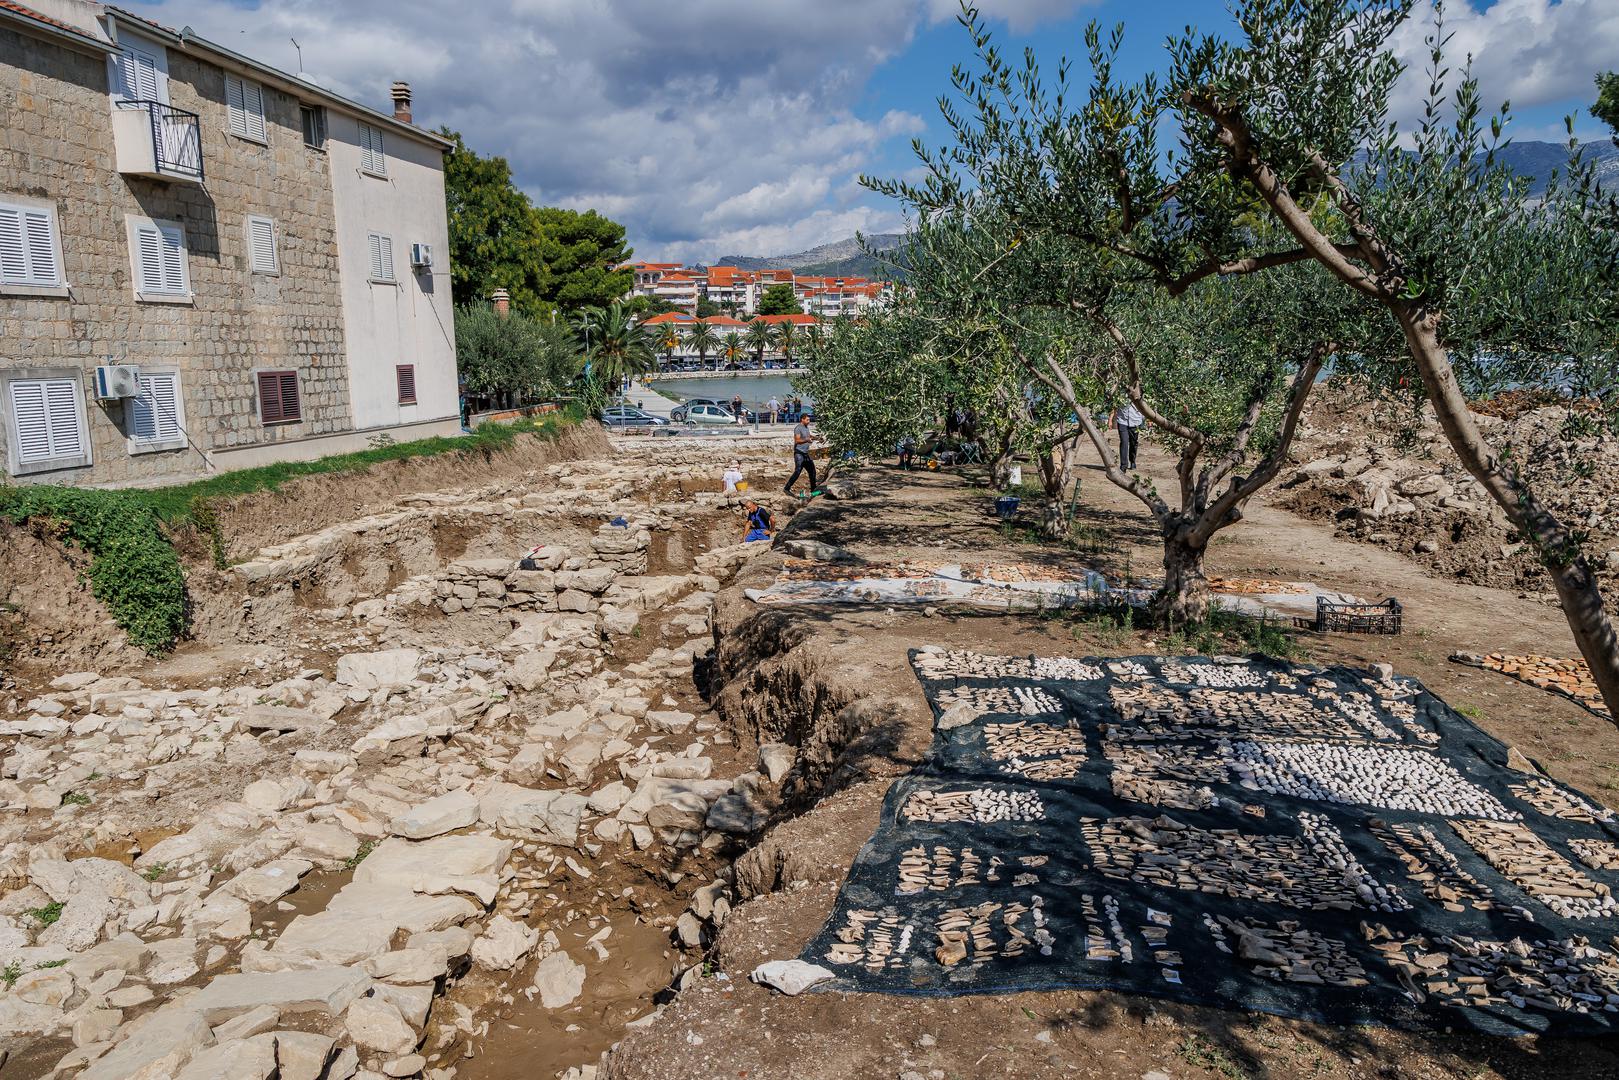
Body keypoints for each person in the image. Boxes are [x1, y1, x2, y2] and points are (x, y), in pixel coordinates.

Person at [785, 413, 817, 495]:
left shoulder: (806, 428)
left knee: (812, 471)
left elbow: (808, 436)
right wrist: (807, 440)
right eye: (807, 420)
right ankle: (787, 488)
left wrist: (817, 438)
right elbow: (797, 440)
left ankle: (814, 490)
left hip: (806, 454)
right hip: (799, 454)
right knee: (798, 471)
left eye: (809, 420)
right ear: (802, 419)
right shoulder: (798, 428)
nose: (809, 421)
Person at [1112, 399, 1144, 471]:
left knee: (1133, 443)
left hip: (1135, 421)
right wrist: (1111, 418)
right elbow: (1114, 404)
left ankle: (1132, 461)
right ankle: (1123, 466)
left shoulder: (1139, 391)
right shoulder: (1120, 390)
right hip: (1122, 420)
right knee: (1124, 442)